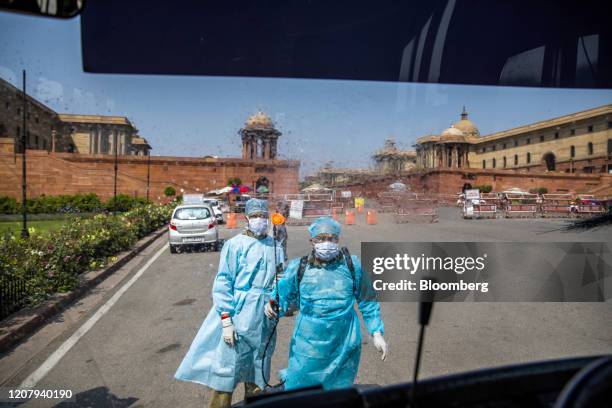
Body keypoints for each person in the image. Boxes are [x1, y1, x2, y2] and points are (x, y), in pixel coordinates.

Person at [175, 198, 284, 408]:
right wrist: (226, 319)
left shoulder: (274, 246)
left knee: (259, 369)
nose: (260, 220)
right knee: (227, 371)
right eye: (255, 216)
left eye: (263, 216)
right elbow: (224, 281)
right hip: (239, 312)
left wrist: (275, 299)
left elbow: (281, 277)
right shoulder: (235, 245)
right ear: (246, 218)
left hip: (264, 316)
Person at [265, 216, 388, 390]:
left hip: (344, 341)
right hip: (308, 343)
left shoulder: (352, 266)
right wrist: (273, 303)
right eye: (320, 239)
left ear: (338, 239)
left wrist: (376, 332)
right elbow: (281, 296)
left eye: (331, 238)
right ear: (311, 241)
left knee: (339, 391)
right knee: (302, 389)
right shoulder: (299, 267)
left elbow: (367, 300)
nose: (326, 243)